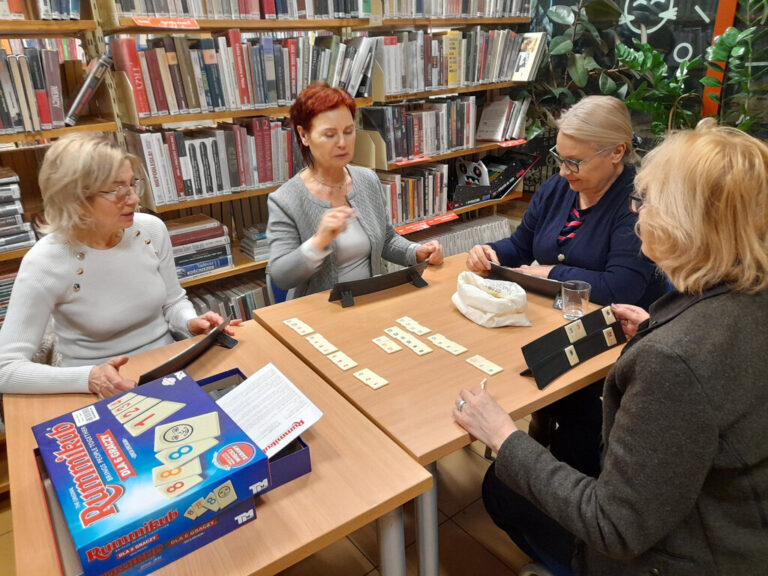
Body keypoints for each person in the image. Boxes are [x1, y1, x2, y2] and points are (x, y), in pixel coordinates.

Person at [453, 120, 768, 575]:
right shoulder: (745, 297)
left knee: (501, 488)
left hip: (681, 555)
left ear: (686, 224)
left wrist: (503, 436)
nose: (636, 213)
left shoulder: (673, 362)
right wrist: (654, 327)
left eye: (645, 201)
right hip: (737, 523)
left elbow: (614, 528)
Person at [467, 96, 669, 476]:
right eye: (560, 157)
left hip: (611, 338)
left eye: (574, 161)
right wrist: (490, 252)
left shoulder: (636, 203)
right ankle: (540, 427)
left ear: (616, 153)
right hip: (550, 322)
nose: (563, 171)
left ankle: (554, 448)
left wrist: (550, 275)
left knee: (551, 398)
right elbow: (522, 246)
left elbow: (621, 285)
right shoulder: (558, 189)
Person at [0, 134, 234, 399]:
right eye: (117, 190)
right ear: (75, 198)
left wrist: (191, 322)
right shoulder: (45, 262)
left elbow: (173, 302)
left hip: (167, 368)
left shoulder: (151, 230)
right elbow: (6, 369)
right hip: (93, 389)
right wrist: (90, 378)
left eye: (132, 185)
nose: (134, 199)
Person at [267, 82, 443, 300]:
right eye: (330, 134)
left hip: (371, 301)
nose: (342, 143)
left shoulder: (366, 179)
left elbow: (386, 239)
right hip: (319, 313)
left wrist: (415, 252)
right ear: (304, 135)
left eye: (349, 132)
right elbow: (281, 277)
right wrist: (319, 240)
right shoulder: (285, 199)